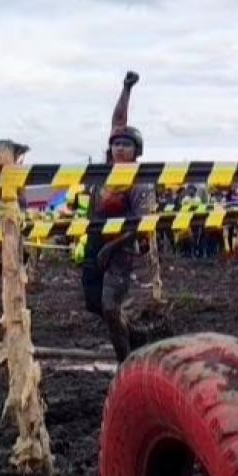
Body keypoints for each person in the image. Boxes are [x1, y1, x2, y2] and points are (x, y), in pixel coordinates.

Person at [81, 71, 155, 362]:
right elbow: (118, 122)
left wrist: (111, 248)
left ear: (136, 151)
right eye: (116, 144)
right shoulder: (105, 171)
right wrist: (125, 89)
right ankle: (133, 334)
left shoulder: (139, 180)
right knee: (93, 303)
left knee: (110, 306)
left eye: (126, 145)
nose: (119, 147)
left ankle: (125, 361)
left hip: (120, 247)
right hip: (95, 241)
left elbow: (141, 223)